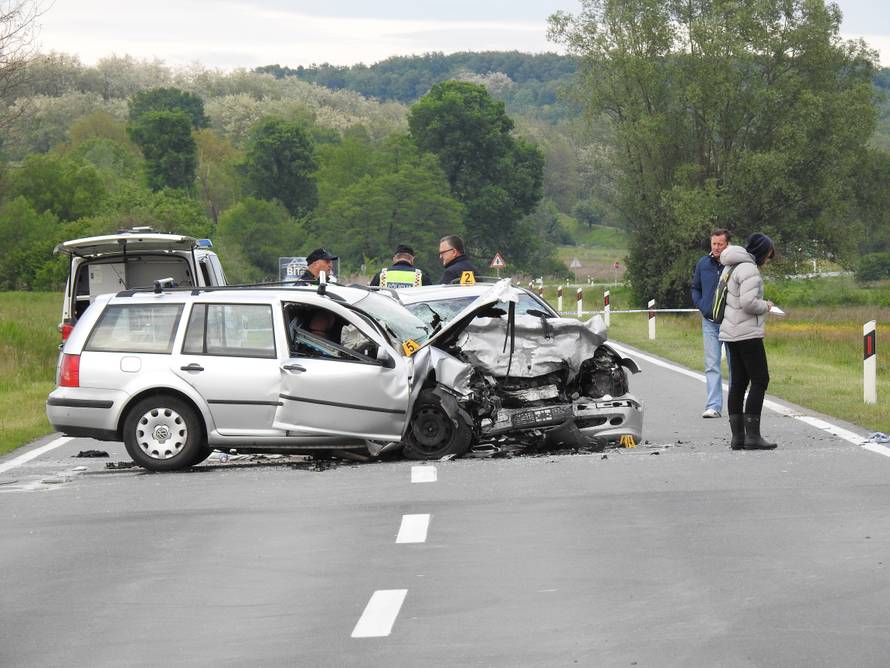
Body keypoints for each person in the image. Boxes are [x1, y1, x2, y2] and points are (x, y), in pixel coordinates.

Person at [719, 232, 777, 450]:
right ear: (762, 252)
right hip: (747, 333)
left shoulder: (730, 266)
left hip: (730, 332)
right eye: (769, 255)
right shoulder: (750, 269)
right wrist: (767, 306)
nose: (768, 260)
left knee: (738, 383)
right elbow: (748, 303)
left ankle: (738, 437)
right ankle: (753, 436)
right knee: (760, 379)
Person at [691, 228, 731, 418]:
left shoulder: (734, 264)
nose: (716, 247)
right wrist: (701, 305)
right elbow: (695, 287)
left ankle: (735, 406)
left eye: (720, 244)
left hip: (731, 322)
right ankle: (714, 406)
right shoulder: (703, 263)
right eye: (714, 244)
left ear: (727, 245)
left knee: (735, 366)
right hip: (709, 322)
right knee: (712, 365)